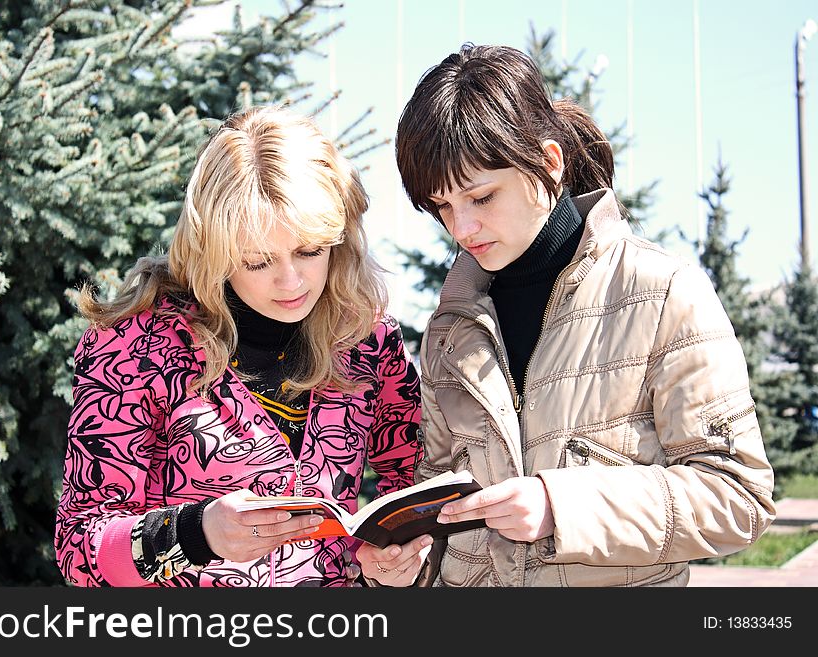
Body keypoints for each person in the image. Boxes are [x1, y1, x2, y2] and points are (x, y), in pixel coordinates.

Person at [358, 43, 776, 587]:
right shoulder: (449, 328)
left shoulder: (663, 292)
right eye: (442, 206)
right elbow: (437, 506)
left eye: (481, 197)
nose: (460, 229)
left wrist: (561, 507)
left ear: (549, 164)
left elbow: (737, 497)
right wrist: (406, 566)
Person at [55, 105, 423, 587]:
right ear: (214, 252)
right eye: (256, 261)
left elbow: (415, 487)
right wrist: (196, 532)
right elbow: (79, 548)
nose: (291, 281)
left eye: (310, 251)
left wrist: (395, 563)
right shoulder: (135, 346)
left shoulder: (367, 340)